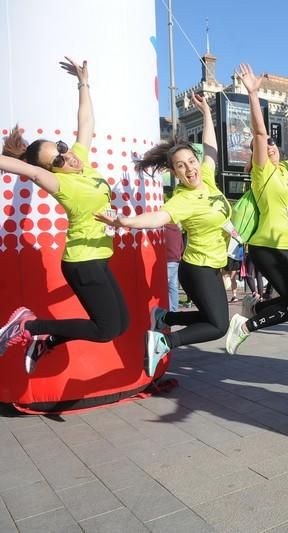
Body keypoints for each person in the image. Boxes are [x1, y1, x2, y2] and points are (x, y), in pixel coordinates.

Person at [0, 57, 130, 375]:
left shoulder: (79, 159)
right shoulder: (60, 182)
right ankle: (28, 326)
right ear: (50, 170)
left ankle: (46, 341)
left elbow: (86, 124)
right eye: (57, 159)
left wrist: (83, 82)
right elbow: (20, 167)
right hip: (82, 261)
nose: (66, 156)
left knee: (122, 324)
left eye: (61, 148)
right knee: (107, 329)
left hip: (99, 256)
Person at [95, 91, 231, 377]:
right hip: (197, 268)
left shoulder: (206, 176)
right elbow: (157, 217)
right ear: (174, 172)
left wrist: (207, 112)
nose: (189, 169)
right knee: (219, 326)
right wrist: (124, 222)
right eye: (180, 166)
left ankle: (165, 317)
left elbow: (211, 149)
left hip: (213, 265)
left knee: (213, 318)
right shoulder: (181, 199)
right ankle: (164, 341)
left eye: (190, 162)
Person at [224, 64, 288, 354]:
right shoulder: (262, 173)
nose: (270, 146)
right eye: (265, 145)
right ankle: (245, 326)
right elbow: (261, 134)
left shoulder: (285, 171)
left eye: (275, 143)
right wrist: (253, 95)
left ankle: (256, 306)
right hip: (267, 246)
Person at [164, 222, 184, 312]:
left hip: (167, 259)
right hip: (176, 259)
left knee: (165, 286)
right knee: (173, 286)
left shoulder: (164, 229)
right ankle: (174, 309)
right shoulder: (177, 230)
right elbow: (182, 246)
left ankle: (170, 309)